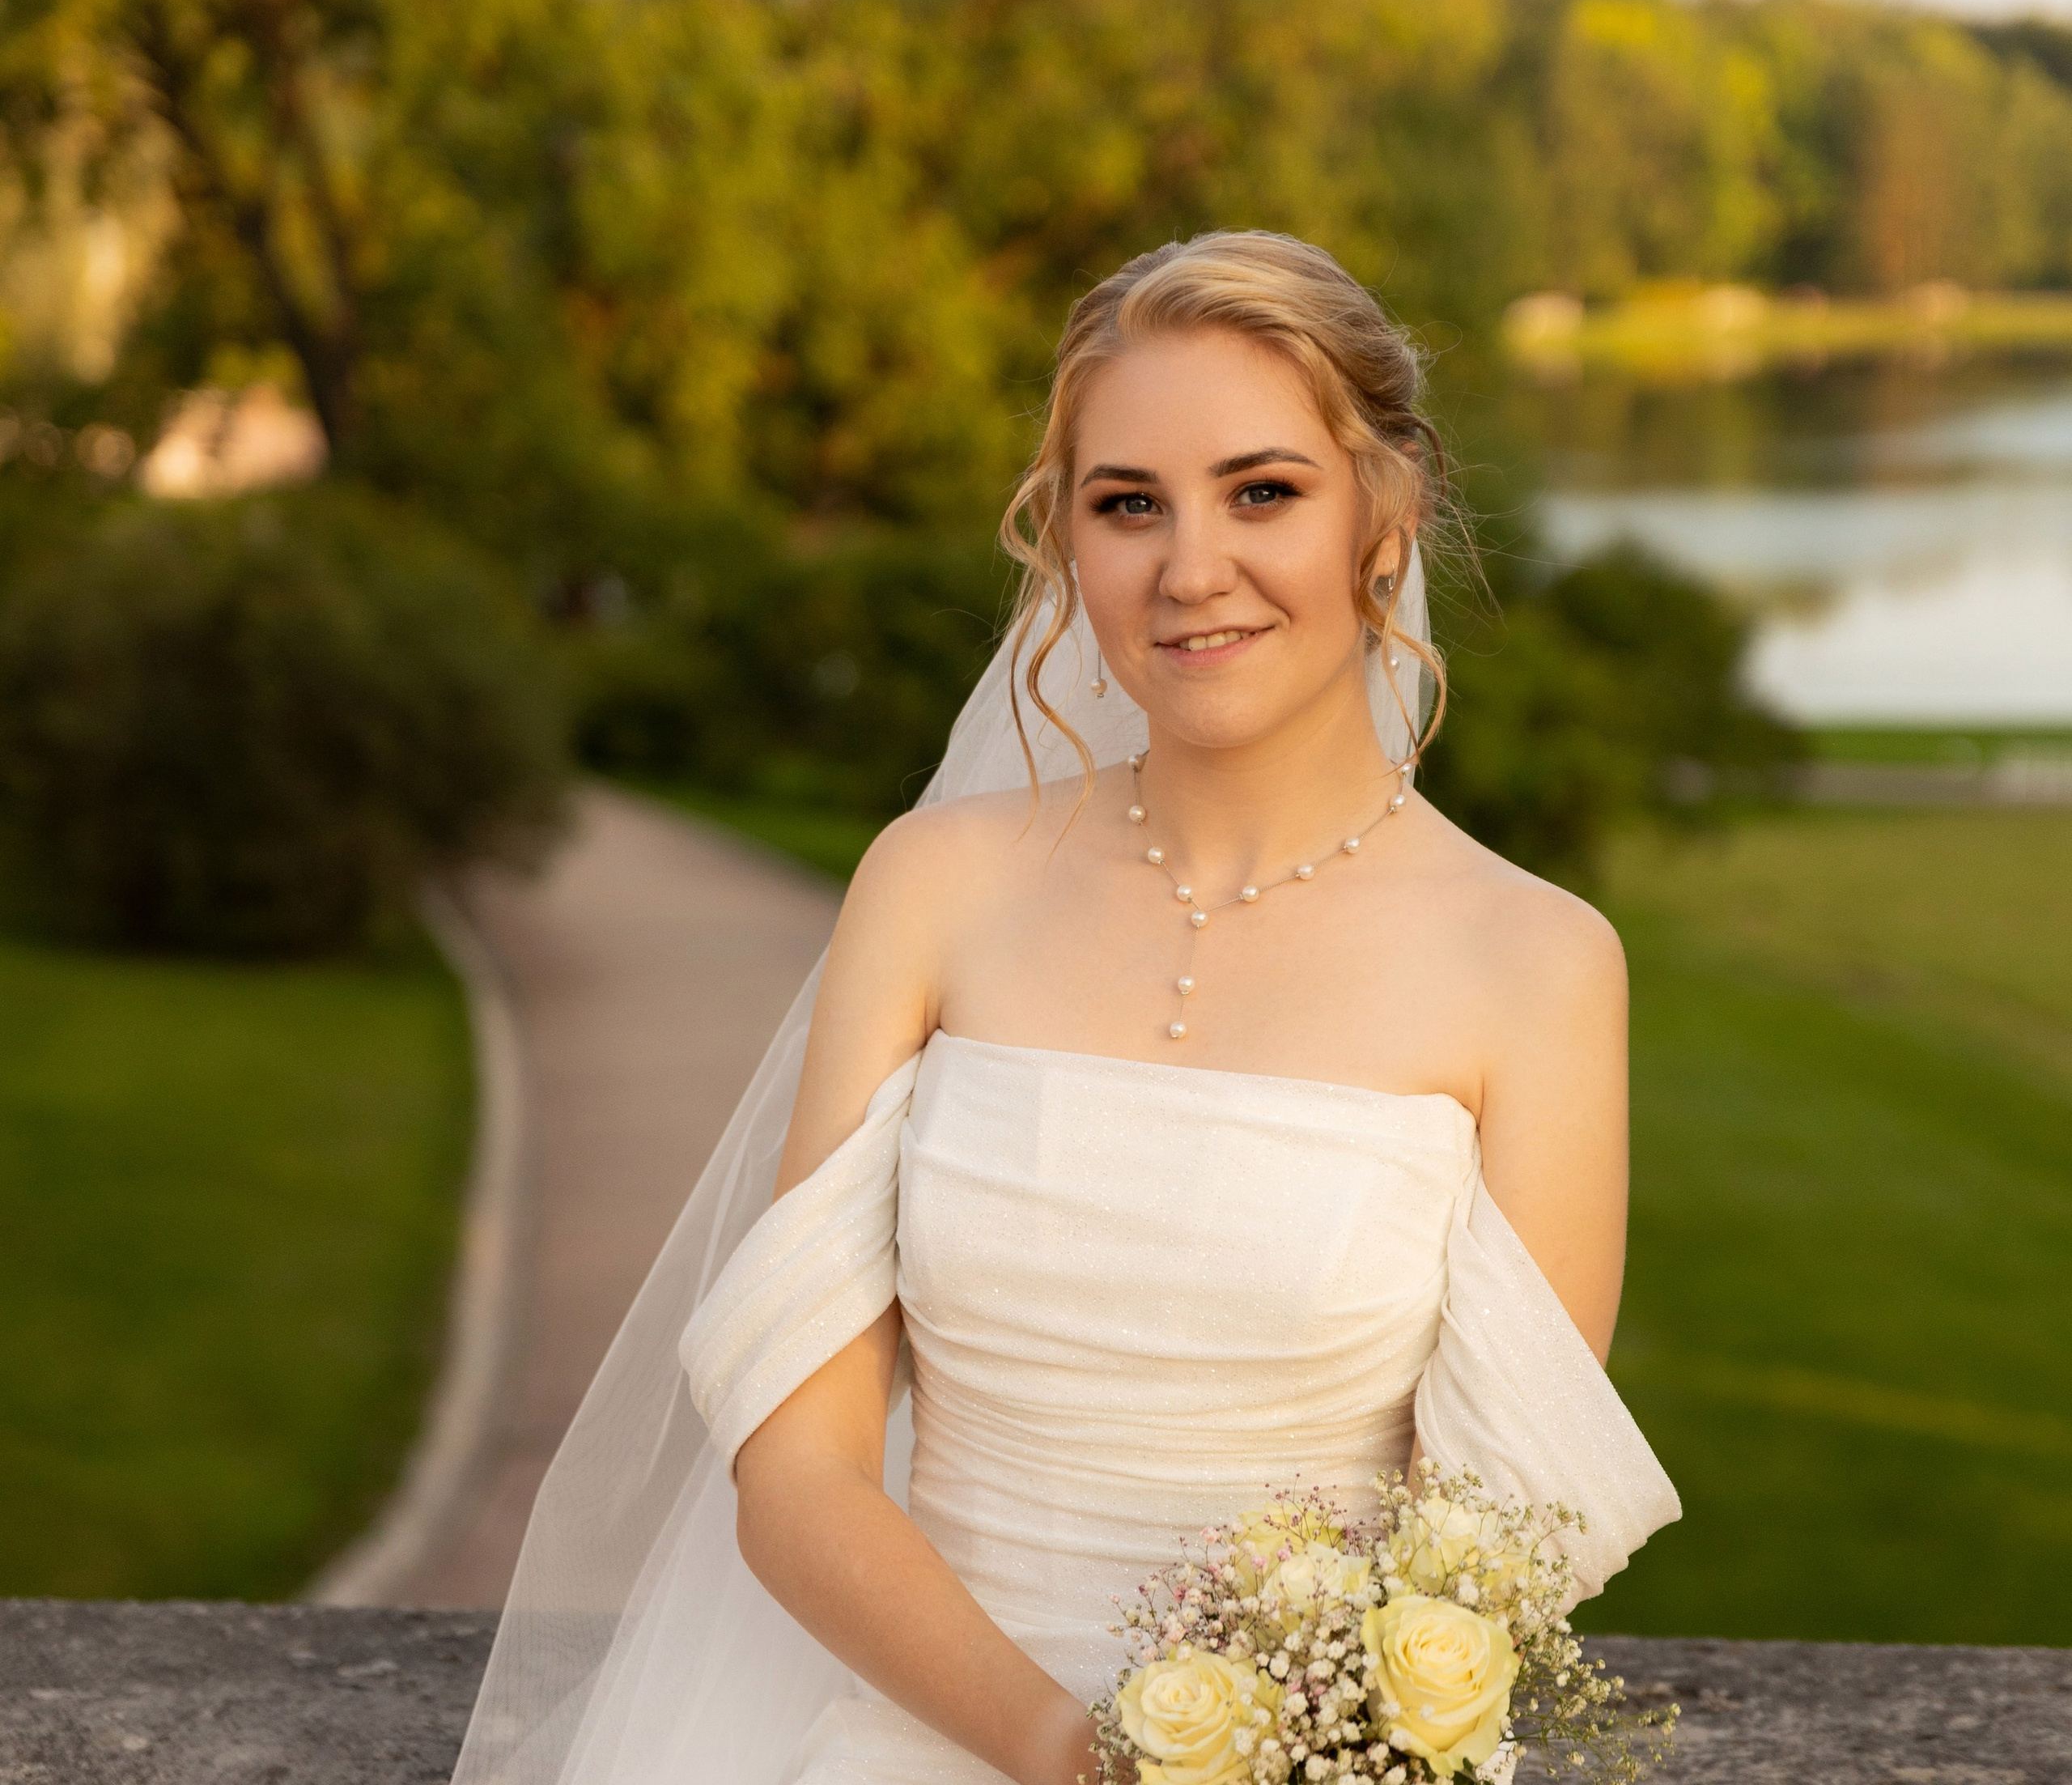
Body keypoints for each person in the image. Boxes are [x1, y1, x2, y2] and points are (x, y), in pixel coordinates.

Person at [451, 232, 1678, 1785]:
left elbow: (1497, 1543)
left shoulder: (1538, 962)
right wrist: (1075, 1754)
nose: (1190, 568)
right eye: (1127, 505)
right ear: (1066, 537)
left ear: (1388, 511)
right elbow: (799, 1472)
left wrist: (1270, 1753)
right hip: (928, 1737)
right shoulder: (934, 885)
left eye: (1263, 491)